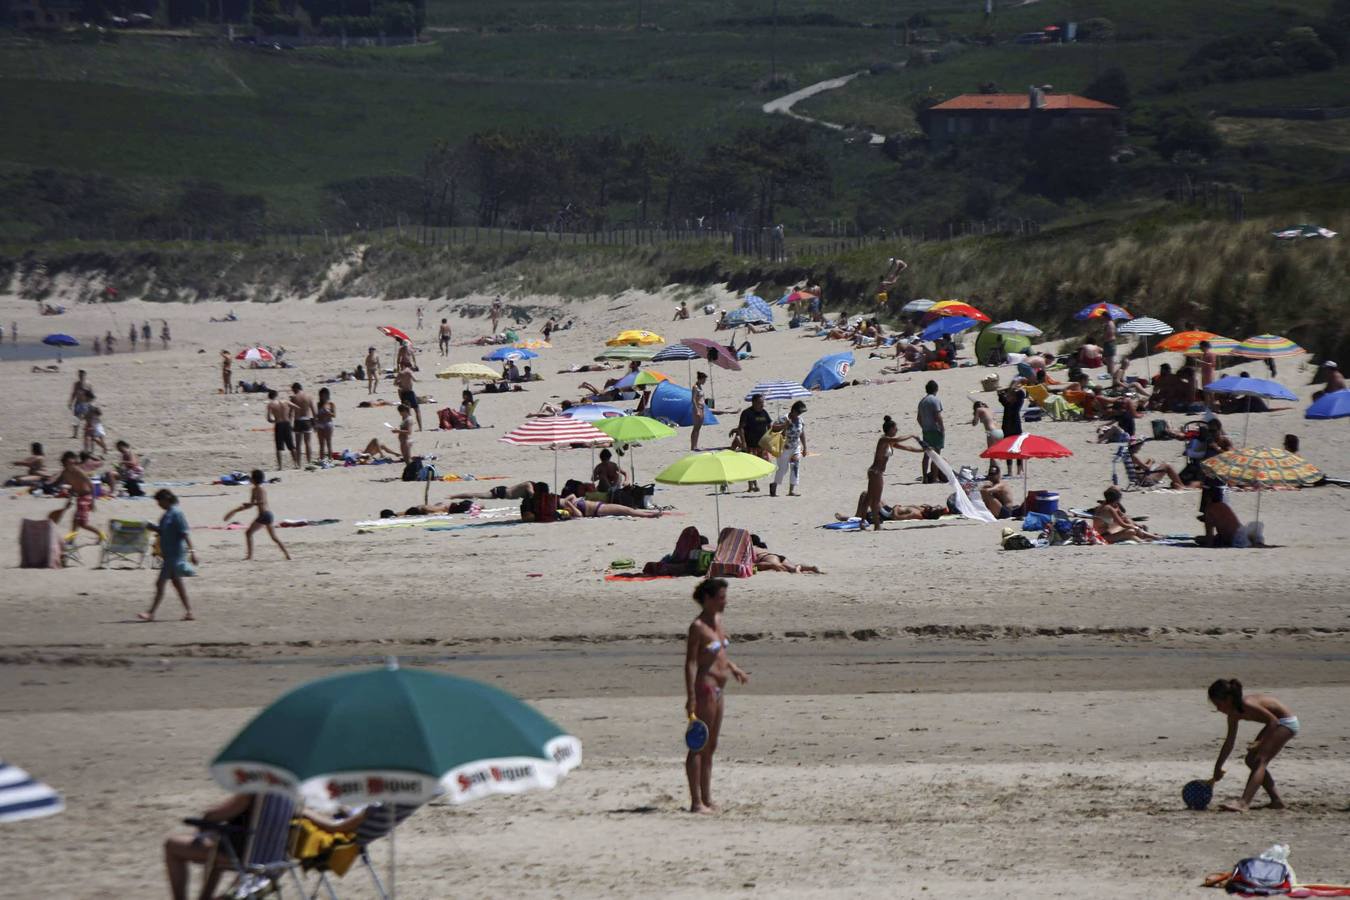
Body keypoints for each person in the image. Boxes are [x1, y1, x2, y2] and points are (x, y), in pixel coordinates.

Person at [684, 578, 748, 814]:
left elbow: (718, 653)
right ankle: (695, 802)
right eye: (721, 597)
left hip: (720, 689)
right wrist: (690, 696)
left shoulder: (718, 621)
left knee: (711, 746)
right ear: (708, 599)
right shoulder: (698, 627)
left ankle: (707, 798)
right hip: (705, 688)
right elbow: (691, 663)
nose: (725, 601)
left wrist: (733, 668)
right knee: (698, 745)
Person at [1208, 678, 1299, 812]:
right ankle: (1277, 801)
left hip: (1285, 722)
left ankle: (1244, 803)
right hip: (1275, 724)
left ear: (1228, 699)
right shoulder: (1233, 714)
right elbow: (1229, 742)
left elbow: (1273, 721)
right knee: (1251, 760)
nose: (1217, 708)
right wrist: (1218, 766)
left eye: (1218, 704)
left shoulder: (1247, 704)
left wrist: (1260, 743)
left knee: (1259, 760)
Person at [161, 793, 253, 900]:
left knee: (172, 845)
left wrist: (208, 817)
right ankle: (205, 897)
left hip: (244, 857)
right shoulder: (276, 793)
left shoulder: (254, 792)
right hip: (271, 858)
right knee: (217, 844)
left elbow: (213, 816)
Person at [139, 489, 196, 621]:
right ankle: (189, 612)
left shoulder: (176, 513)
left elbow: (185, 533)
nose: (158, 504)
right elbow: (164, 531)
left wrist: (193, 552)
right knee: (177, 584)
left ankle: (151, 613)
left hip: (175, 554)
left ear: (165, 500)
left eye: (159, 501)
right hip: (168, 553)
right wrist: (152, 527)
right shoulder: (167, 514)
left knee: (160, 583)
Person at [861, 416, 925, 530]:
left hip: (876, 472)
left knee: (869, 498)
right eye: (895, 428)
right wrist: (912, 435)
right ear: (890, 429)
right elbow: (899, 439)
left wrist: (923, 450)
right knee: (875, 500)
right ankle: (876, 525)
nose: (897, 430)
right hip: (876, 472)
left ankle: (862, 522)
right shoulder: (884, 439)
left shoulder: (890, 442)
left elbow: (908, 447)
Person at [224, 470, 291, 561]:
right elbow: (251, 505)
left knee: (249, 533)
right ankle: (287, 555)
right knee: (273, 537)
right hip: (267, 515)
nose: (250, 479)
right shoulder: (253, 489)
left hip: (265, 515)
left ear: (255, 480)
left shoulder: (260, 489)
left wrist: (251, 504)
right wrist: (240, 508)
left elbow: (262, 502)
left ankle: (250, 556)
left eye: (251, 477)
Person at [58, 451, 103, 543]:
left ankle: (100, 534)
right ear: (64, 462)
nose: (71, 465)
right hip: (80, 497)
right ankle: (72, 539)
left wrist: (93, 502)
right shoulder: (65, 473)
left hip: (86, 496)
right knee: (75, 520)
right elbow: (73, 487)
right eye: (68, 463)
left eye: (72, 463)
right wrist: (70, 499)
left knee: (82, 523)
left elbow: (91, 485)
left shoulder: (78, 471)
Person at [1091, 487, 1161, 543]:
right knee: (1131, 531)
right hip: (1103, 536)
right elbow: (1122, 524)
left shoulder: (1107, 505)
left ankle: (1143, 538)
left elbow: (1123, 516)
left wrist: (1136, 525)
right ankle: (1149, 537)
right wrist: (1136, 528)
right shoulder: (1108, 508)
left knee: (1127, 521)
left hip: (1107, 532)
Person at [769, 400, 807, 498]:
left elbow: (802, 433)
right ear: (793, 410)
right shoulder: (783, 418)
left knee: (795, 466)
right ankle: (774, 485)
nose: (799, 414)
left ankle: (791, 490)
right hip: (783, 448)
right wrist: (784, 425)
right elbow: (773, 428)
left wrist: (805, 447)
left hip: (795, 447)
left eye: (800, 413)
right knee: (783, 469)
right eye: (798, 412)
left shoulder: (800, 420)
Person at [736, 394, 773, 492]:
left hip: (762, 444)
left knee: (761, 465)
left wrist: (769, 438)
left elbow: (769, 425)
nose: (762, 405)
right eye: (760, 403)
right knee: (750, 465)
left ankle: (754, 483)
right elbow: (741, 428)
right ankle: (751, 485)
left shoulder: (764, 413)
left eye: (763, 403)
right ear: (754, 403)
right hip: (750, 444)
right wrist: (743, 442)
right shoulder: (747, 413)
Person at [916, 380, 945, 484]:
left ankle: (924, 477)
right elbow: (938, 416)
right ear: (936, 389)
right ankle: (934, 477)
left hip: (926, 431)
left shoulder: (922, 401)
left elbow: (918, 418)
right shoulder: (935, 400)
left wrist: (924, 426)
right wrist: (942, 428)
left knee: (926, 455)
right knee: (936, 455)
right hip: (935, 430)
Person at [750, 534, 823, 573]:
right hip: (777, 556)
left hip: (767, 558)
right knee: (791, 566)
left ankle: (796, 569)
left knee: (782, 568)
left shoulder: (752, 548)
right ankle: (810, 568)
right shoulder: (762, 547)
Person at [997, 382, 1025, 477]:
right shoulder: (1010, 404)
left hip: (1012, 429)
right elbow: (1000, 394)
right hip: (1010, 429)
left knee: (1016, 449)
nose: (1008, 397)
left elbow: (1021, 394)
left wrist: (1011, 388)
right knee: (1011, 450)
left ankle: (1017, 470)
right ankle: (1012, 471)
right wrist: (1009, 389)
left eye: (1010, 395)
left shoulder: (1014, 404)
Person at [559, 494, 662, 519]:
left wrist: (568, 502)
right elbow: (580, 515)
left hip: (600, 505)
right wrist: (569, 505)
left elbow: (573, 495)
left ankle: (650, 514)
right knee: (627, 511)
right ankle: (650, 515)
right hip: (598, 510)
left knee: (627, 509)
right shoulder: (568, 509)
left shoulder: (567, 502)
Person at [265, 389, 297, 470]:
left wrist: (274, 420)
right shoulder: (285, 401)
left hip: (279, 424)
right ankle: (296, 464)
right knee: (291, 445)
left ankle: (280, 466)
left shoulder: (270, 404)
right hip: (287, 423)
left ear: (270, 397)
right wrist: (290, 415)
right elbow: (296, 407)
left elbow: (269, 418)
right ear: (276, 395)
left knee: (279, 447)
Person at [290, 383, 317, 465]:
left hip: (298, 421)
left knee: (298, 444)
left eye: (293, 390)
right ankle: (309, 462)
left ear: (296, 388)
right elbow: (314, 412)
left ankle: (299, 464)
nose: (293, 392)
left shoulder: (294, 398)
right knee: (308, 443)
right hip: (307, 420)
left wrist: (290, 424)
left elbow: (290, 413)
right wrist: (315, 423)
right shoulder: (309, 397)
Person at [445, 481, 535, 501]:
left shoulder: (526, 487)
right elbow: (531, 493)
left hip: (503, 491)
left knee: (477, 495)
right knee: (476, 495)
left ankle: (453, 496)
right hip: (501, 492)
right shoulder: (528, 484)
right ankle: (453, 496)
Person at [395, 365, 422, 431]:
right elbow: (415, 380)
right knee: (417, 410)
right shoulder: (409, 372)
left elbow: (395, 383)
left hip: (403, 393)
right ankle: (420, 428)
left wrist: (400, 383)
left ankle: (405, 427)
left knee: (405, 412)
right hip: (410, 393)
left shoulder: (400, 373)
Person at [69, 369, 94, 439]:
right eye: (79, 375)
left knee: (88, 419)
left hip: (86, 403)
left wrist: (90, 403)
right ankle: (75, 434)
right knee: (75, 419)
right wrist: (70, 402)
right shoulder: (76, 384)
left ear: (85, 375)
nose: (80, 376)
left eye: (82, 375)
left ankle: (90, 433)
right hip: (78, 403)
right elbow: (73, 393)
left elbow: (92, 395)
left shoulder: (88, 384)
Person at [315, 387, 336, 460]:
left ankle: (330, 459)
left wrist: (328, 412)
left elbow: (334, 415)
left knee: (328, 443)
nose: (323, 397)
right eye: (321, 395)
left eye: (324, 395)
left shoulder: (331, 404)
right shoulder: (318, 404)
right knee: (321, 444)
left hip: (328, 424)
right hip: (320, 424)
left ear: (327, 395)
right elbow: (316, 415)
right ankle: (322, 459)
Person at [690, 371, 708, 451]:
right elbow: (693, 399)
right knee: (696, 428)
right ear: (700, 379)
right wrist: (697, 410)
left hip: (702, 407)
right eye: (704, 380)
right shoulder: (695, 387)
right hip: (697, 408)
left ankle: (695, 445)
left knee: (698, 428)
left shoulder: (700, 387)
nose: (705, 381)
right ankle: (693, 445)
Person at [1198, 340, 1218, 405]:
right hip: (1204, 375)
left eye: (1201, 347)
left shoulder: (1211, 354)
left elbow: (1212, 364)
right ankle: (1207, 406)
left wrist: (1202, 362)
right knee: (1205, 392)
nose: (1200, 349)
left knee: (1210, 392)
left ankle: (1213, 406)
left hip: (1209, 375)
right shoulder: (1203, 355)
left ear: (1205, 347)